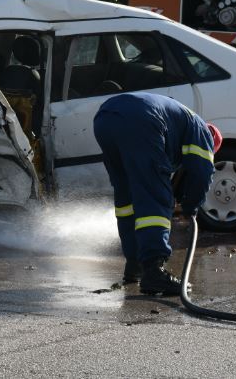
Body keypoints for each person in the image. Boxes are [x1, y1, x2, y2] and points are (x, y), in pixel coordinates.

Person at [92, 93, 221, 296]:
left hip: (105, 118)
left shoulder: (180, 121)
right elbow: (201, 172)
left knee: (127, 199)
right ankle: (154, 270)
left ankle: (134, 264)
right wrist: (191, 206)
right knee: (155, 197)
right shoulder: (203, 131)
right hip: (141, 119)